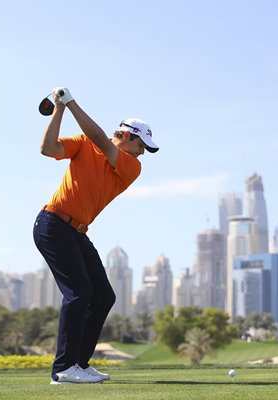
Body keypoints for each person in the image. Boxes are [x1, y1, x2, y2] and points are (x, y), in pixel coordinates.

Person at [33, 87, 159, 384]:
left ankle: (79, 363)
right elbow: (47, 149)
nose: (144, 152)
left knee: (103, 296)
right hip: (53, 224)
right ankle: (63, 369)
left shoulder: (131, 166)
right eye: (142, 144)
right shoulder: (83, 144)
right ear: (127, 135)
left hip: (75, 232)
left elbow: (101, 140)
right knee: (78, 293)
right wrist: (60, 109)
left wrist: (70, 102)